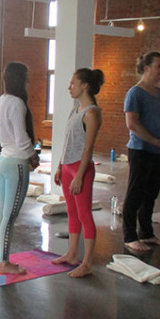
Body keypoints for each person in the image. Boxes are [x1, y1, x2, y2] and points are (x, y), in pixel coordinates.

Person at [51, 68, 105, 278]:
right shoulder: (75, 109)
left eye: (73, 83)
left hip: (80, 168)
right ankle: (72, 254)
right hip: (67, 166)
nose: (69, 87)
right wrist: (59, 166)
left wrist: (80, 175)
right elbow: (67, 141)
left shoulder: (92, 113)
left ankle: (87, 262)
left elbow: (88, 147)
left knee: (84, 214)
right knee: (72, 212)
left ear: (85, 85)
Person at [0, 62, 39, 274]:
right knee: (9, 216)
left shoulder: (1, 100)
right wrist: (33, 157)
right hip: (17, 163)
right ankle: (4, 262)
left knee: (1, 213)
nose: (28, 81)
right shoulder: (17, 103)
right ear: (21, 79)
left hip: (4, 159)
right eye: (26, 77)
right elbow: (21, 138)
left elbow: (3, 135)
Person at [122, 51, 160, 253]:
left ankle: (146, 232)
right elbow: (132, 123)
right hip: (140, 150)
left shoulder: (159, 94)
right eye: (158, 66)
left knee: (151, 193)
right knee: (136, 192)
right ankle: (130, 236)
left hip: (157, 151)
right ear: (147, 68)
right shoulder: (135, 93)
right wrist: (155, 141)